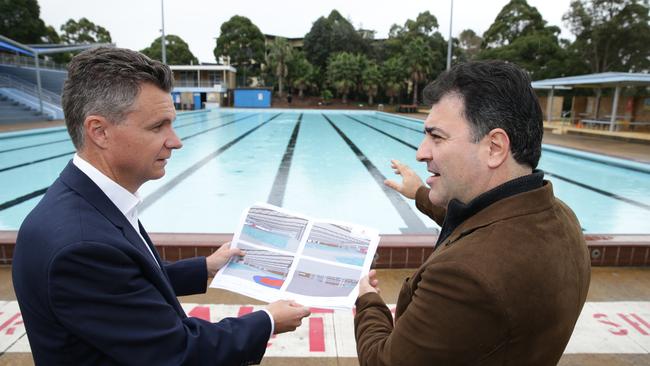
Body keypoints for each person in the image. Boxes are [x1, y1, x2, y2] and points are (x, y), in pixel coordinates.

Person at [12, 47, 311, 365]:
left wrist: (205, 267)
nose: (176, 141)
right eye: (158, 127)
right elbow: (176, 353)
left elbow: (124, 283)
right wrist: (267, 322)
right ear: (99, 131)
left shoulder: (86, 202)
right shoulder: (81, 247)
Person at [354, 61, 591, 365]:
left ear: (494, 147)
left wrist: (368, 302)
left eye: (437, 137)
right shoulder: (560, 217)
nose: (421, 152)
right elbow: (483, 223)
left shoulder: (465, 277)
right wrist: (420, 194)